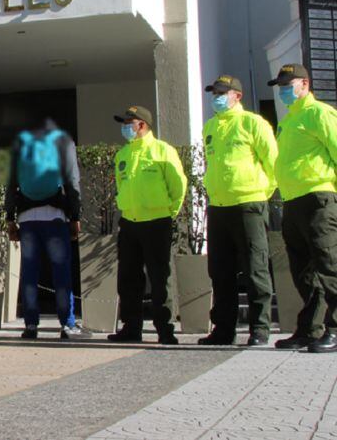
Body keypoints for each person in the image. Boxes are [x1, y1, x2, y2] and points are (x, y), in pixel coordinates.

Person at [199, 75, 277, 347]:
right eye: (214, 92)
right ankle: (223, 329)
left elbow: (273, 163)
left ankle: (260, 328)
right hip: (219, 206)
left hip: (249, 204)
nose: (216, 97)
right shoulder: (210, 127)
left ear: (237, 96)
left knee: (255, 268)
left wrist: (260, 195)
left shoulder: (253, 123)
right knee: (220, 272)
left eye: (222, 92)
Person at [269, 64, 337, 353]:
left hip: (318, 198)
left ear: (305, 84)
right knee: (303, 271)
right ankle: (310, 329)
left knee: (329, 265)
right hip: (293, 201)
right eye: (281, 86)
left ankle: (335, 328)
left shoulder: (320, 114)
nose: (284, 90)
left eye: (289, 84)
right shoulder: (289, 121)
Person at [4, 118, 88, 340]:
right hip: (55, 216)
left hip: (27, 217)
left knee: (30, 271)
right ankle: (67, 324)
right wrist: (75, 215)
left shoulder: (22, 144)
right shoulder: (63, 142)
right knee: (61, 271)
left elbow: (11, 182)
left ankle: (31, 325)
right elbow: (72, 181)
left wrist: (10, 217)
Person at [108, 106, 186, 345]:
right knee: (128, 278)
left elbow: (178, 186)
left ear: (141, 124)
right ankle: (131, 328)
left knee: (160, 276)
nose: (124, 127)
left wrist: (168, 214)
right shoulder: (123, 155)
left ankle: (165, 328)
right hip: (130, 223)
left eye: (127, 123)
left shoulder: (163, 151)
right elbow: (122, 187)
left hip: (157, 222)